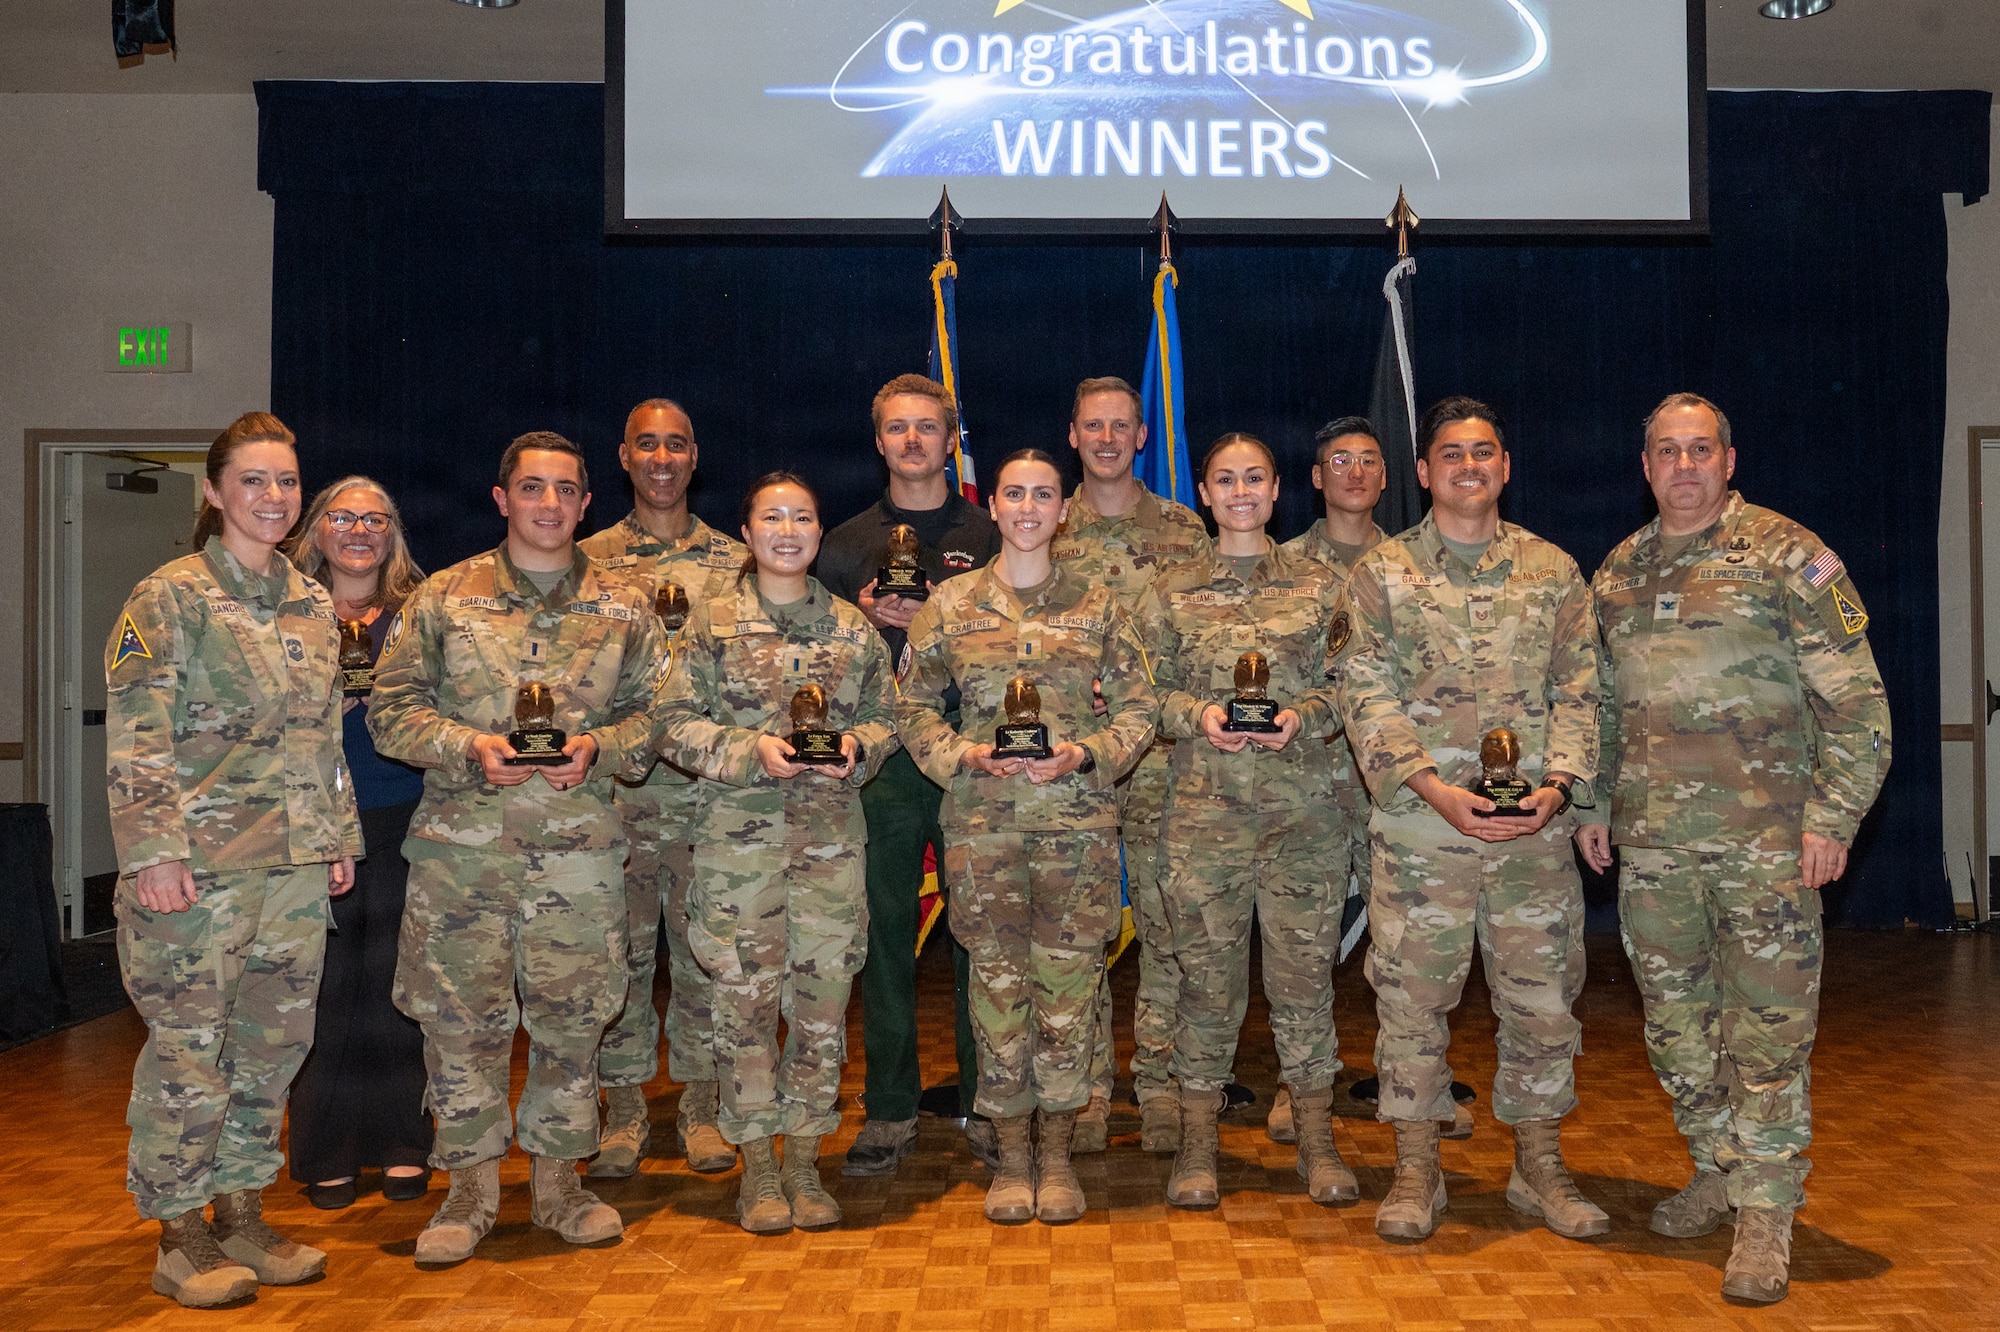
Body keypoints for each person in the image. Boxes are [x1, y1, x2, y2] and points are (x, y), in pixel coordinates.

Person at [1576, 393, 1890, 1304]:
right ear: (1645, 467)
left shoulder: (1791, 557)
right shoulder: (1618, 572)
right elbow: (1596, 706)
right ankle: (1717, 1164)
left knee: (1768, 1037)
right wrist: (1592, 802)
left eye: (1699, 450)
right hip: (1654, 851)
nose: (1683, 466)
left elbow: (1860, 708)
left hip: (1766, 852)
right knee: (1676, 1028)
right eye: (1666, 452)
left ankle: (1766, 1212)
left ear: (1729, 458)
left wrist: (1832, 818)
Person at [369, 431, 664, 1265]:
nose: (548, 504)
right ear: (502, 500)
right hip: (464, 858)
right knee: (460, 1026)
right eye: (531, 489)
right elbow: (390, 712)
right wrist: (468, 745)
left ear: (585, 502)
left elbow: (658, 717)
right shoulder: (443, 598)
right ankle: (467, 1192)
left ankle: (561, 1186)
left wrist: (599, 749)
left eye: (565, 490)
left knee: (574, 1024)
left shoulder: (624, 606)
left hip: (579, 857)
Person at [1333, 397, 1607, 1244]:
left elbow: (1583, 689)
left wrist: (1560, 788)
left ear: (1505, 465)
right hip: (1424, 833)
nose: (1468, 467)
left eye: (1484, 452)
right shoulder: (1380, 575)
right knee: (1411, 1005)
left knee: (1543, 1006)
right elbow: (1361, 687)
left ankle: (1539, 1167)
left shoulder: (1552, 571)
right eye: (1450, 455)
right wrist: (1430, 787)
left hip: (1533, 836)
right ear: (1424, 473)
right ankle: (1417, 1171)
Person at [105, 412, 361, 1308]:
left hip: (292, 870)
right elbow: (138, 742)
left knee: (271, 1049)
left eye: (286, 482)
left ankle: (243, 1215)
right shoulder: (168, 598)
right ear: (213, 491)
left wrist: (336, 840)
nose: (273, 498)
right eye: (253, 480)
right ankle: (178, 1234)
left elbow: (324, 736)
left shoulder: (309, 600)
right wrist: (154, 855)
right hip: (196, 874)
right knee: (190, 1052)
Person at [898, 449, 1157, 1226]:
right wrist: (960, 757)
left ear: (1063, 510)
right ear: (996, 506)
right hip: (983, 829)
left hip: (1076, 829)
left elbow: (1142, 707)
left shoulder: (1103, 603)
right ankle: (1011, 1155)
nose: (1029, 507)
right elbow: (908, 705)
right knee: (997, 994)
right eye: (1015, 493)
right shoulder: (948, 604)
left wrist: (1090, 755)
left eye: (1044, 494)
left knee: (1071, 997)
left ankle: (1056, 1155)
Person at [657, 472, 900, 1233]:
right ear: (749, 531)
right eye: (772, 517)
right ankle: (759, 1169)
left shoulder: (852, 629)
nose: (788, 530)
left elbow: (891, 718)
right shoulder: (711, 623)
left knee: (822, 1014)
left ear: (820, 533)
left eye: (802, 516)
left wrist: (858, 744)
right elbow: (667, 722)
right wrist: (745, 749)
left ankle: (804, 1162)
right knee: (744, 1012)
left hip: (829, 849)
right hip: (738, 851)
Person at [1135, 433, 1354, 1210]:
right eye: (1224, 479)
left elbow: (1351, 687)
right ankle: (1199, 1147)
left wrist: (1304, 716)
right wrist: (1196, 713)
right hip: (1204, 820)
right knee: (1207, 988)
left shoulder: (1322, 586)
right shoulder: (1168, 590)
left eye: (1254, 478)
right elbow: (1141, 695)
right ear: (1203, 492)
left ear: (1276, 489)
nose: (1239, 491)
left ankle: (1319, 1141)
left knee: (1304, 987)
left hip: (1303, 822)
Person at [816, 374, 998, 1178]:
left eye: (929, 427)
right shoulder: (847, 543)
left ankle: (986, 1102)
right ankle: (889, 1109)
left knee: (979, 939)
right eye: (899, 428)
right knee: (884, 937)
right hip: (884, 763)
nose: (914, 441)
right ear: (879, 439)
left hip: (968, 755)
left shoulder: (989, 534)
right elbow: (810, 659)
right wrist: (856, 617)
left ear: (951, 438)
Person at [579, 399, 746, 1179]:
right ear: (623, 455)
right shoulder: (584, 561)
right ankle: (623, 1112)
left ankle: (703, 1109)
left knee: (706, 958)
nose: (661, 458)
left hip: (707, 800)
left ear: (695, 455)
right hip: (618, 795)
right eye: (646, 443)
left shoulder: (737, 560)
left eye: (676, 444)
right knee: (620, 961)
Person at [1050, 376, 1213, 1153]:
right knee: (1079, 934)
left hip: (1163, 764)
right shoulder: (1045, 526)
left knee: (1165, 930)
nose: (1108, 438)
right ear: (1073, 435)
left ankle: (1157, 1088)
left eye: (1122, 426)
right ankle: (1085, 1094)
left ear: (1142, 437)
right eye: (1093, 426)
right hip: (1069, 767)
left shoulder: (1186, 531)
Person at [285, 477, 433, 1209]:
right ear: (317, 529)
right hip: (312, 825)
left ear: (392, 533)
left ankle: (403, 1141)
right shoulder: (281, 611)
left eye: (376, 518)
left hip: (404, 814)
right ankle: (325, 1151)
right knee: (324, 990)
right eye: (342, 517)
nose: (359, 530)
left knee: (398, 987)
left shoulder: (420, 613)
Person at [1271, 415, 1389, 1145]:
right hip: (1307, 788)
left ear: (1386, 476)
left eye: (1367, 461)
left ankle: (1407, 1084)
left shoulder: (1415, 566)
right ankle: (1300, 1087)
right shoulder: (1279, 569)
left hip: (1390, 791)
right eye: (1337, 460)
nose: (1352, 472)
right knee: (1304, 951)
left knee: (1402, 952)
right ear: (1315, 479)